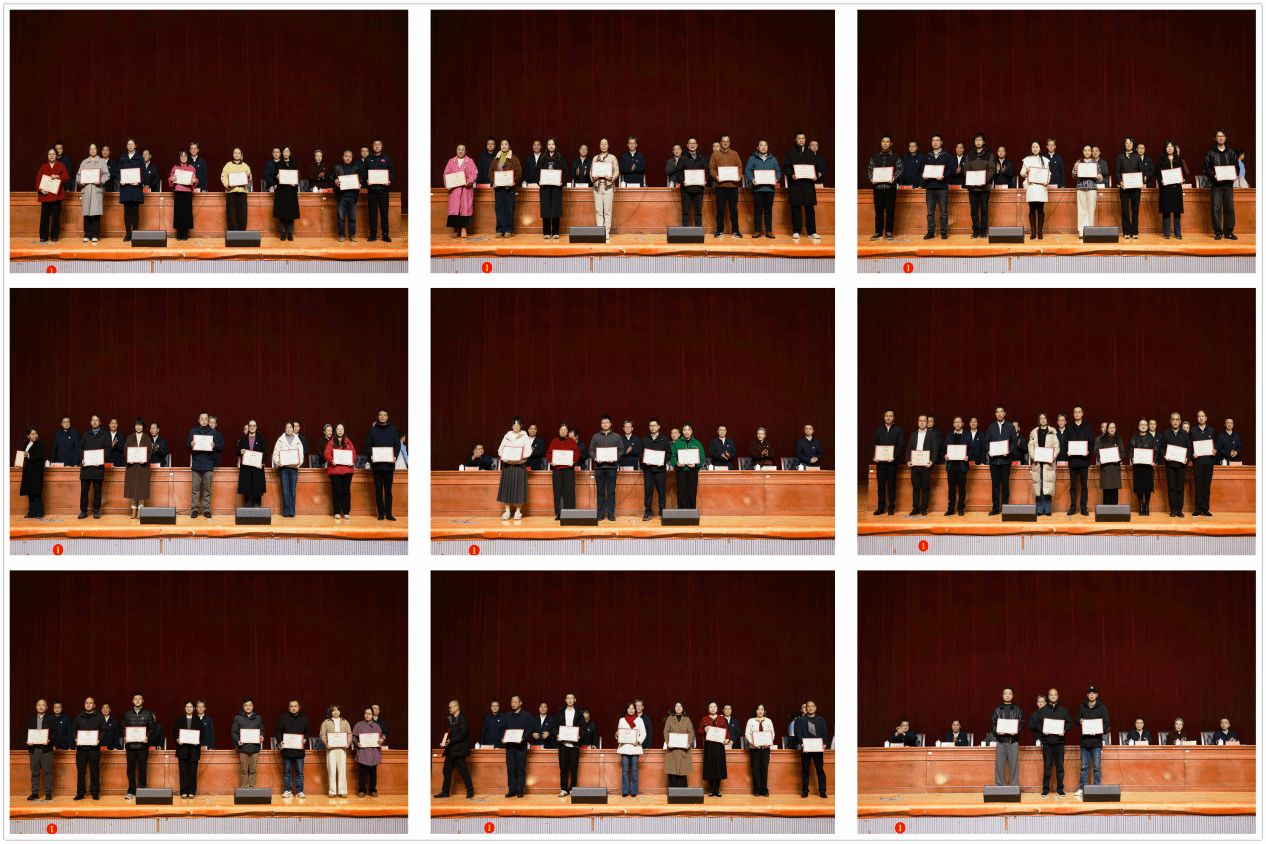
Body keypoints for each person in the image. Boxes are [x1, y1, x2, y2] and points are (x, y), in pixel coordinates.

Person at [366, 408, 402, 521]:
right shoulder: (372, 430)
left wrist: (394, 456)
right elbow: (368, 445)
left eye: (384, 415)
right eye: (380, 415)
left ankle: (389, 514)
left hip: (389, 466)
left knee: (388, 491)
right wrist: (371, 455)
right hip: (377, 466)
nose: (382, 417)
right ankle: (381, 513)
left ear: (387, 417)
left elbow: (397, 445)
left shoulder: (393, 430)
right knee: (378, 491)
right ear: (377, 417)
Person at [1036, 689, 1073, 798]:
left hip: (1059, 743)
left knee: (1060, 768)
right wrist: (1043, 730)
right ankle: (1045, 789)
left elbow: (1070, 724)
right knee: (1047, 767)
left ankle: (1060, 789)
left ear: (1058, 696)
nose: (1053, 696)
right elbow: (1037, 724)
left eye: (1055, 695)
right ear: (1048, 696)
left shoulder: (1063, 710)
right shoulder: (1042, 711)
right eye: (1051, 695)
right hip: (1047, 743)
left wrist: (1064, 730)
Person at [187, 412, 224, 520]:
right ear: (198, 420)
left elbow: (220, 447)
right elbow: (187, 444)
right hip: (196, 464)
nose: (204, 420)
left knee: (207, 489)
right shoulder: (193, 431)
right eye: (202, 419)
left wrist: (214, 445)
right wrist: (191, 444)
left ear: (208, 421)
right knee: (195, 489)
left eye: (206, 419)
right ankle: (194, 509)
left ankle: (206, 510)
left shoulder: (213, 432)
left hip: (208, 464)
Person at [1075, 686, 1110, 798]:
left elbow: (1107, 723)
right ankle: (1081, 788)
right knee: (1084, 767)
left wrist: (1098, 730)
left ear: (1097, 695)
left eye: (1093, 693)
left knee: (1097, 768)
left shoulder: (1102, 708)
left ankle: (1096, 788)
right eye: (1090, 693)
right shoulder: (1082, 707)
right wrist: (1080, 721)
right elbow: (1076, 720)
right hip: (1084, 742)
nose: (1091, 695)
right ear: (1087, 695)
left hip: (1096, 742)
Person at [70, 697, 107, 801]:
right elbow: (73, 730)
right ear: (84, 704)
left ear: (94, 705)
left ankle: (95, 793)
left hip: (94, 749)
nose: (88, 704)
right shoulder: (78, 717)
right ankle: (80, 793)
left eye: (90, 703)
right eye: (86, 703)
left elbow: (104, 730)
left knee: (94, 771)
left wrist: (99, 739)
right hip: (81, 749)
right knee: (81, 771)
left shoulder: (99, 717)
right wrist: (75, 738)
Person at [1204, 128, 1237, 240]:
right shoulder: (1211, 153)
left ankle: (1228, 232)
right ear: (1215, 138)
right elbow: (1206, 168)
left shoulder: (1231, 152)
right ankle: (1218, 232)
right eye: (1218, 136)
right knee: (1216, 209)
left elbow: (1236, 167)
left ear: (1225, 137)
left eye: (1222, 136)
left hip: (1228, 185)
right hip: (1216, 186)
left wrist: (1235, 174)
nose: (1221, 138)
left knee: (1229, 209)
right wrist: (1213, 175)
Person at [745, 139, 782, 238]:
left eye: (765, 145)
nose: (763, 147)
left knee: (768, 210)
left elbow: (778, 171)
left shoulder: (773, 159)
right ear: (757, 147)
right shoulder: (752, 158)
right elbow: (747, 170)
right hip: (757, 189)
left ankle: (769, 231)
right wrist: (752, 179)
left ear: (767, 147)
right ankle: (757, 231)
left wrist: (776, 179)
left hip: (769, 189)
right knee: (757, 210)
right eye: (761, 145)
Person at [436, 699, 473, 799]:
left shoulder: (462, 719)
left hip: (459, 751)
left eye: (450, 707)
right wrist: (445, 741)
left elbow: (462, 735)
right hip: (451, 750)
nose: (449, 709)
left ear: (457, 707)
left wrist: (450, 741)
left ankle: (470, 791)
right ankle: (445, 792)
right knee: (446, 771)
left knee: (463, 771)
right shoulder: (452, 719)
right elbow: (450, 734)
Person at [497, 416, 531, 522]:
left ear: (521, 426)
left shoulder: (525, 436)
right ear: (512, 426)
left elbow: (528, 451)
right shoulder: (507, 435)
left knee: (519, 489)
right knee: (506, 488)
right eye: (514, 424)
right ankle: (507, 512)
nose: (516, 426)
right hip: (508, 465)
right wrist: (505, 456)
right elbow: (500, 450)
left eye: (518, 424)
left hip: (520, 465)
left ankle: (518, 512)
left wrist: (519, 456)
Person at [122, 693, 156, 800]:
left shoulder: (148, 714)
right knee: (130, 770)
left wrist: (147, 736)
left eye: (139, 699)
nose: (137, 700)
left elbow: (152, 728)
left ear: (143, 701)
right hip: (130, 746)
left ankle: (142, 791)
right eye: (135, 699)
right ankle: (131, 791)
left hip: (143, 747)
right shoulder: (127, 714)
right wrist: (125, 736)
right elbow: (123, 727)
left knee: (142, 769)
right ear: (132, 701)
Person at [984, 406, 1017, 515]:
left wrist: (1008, 451)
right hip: (994, 462)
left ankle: (1005, 509)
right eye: (997, 412)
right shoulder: (991, 427)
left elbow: (1014, 442)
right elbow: (986, 442)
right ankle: (995, 508)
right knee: (995, 486)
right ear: (995, 414)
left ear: (1005, 413)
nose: (999, 414)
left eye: (1001, 412)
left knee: (1005, 486)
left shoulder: (1010, 427)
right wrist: (989, 451)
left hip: (1005, 461)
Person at [867, 134, 901, 240]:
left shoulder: (895, 157)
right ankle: (878, 232)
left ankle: (889, 232)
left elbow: (900, 169)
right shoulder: (875, 157)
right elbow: (870, 170)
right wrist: (872, 179)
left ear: (891, 144)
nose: (885, 143)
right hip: (878, 188)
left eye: (887, 142)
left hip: (890, 188)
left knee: (890, 211)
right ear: (881, 143)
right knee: (879, 211)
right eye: (883, 142)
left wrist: (894, 178)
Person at [903, 415, 938, 516]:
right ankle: (915, 508)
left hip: (926, 465)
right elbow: (908, 449)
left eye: (924, 421)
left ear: (927, 422)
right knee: (916, 487)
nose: (922, 422)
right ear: (918, 422)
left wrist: (932, 461)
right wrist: (908, 461)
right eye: (920, 421)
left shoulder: (932, 434)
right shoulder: (913, 434)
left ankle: (924, 508)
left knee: (925, 487)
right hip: (915, 465)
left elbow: (935, 450)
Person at [709, 134, 743, 238]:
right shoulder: (715, 155)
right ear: (720, 142)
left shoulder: (735, 154)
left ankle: (735, 231)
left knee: (734, 210)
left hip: (733, 186)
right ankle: (719, 231)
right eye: (723, 141)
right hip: (720, 186)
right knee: (720, 209)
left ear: (730, 142)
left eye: (727, 141)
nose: (725, 143)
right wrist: (716, 177)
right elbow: (711, 168)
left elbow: (740, 167)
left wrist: (739, 176)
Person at [589, 414, 622, 521]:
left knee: (611, 491)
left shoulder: (616, 436)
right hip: (599, 467)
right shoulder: (595, 437)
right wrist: (595, 457)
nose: (605, 424)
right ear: (600, 424)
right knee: (600, 492)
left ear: (611, 424)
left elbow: (621, 449)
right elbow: (591, 450)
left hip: (612, 467)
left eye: (607, 422)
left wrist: (615, 458)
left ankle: (611, 513)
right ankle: (601, 512)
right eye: (603, 423)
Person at [964, 133, 997, 239]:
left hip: (984, 188)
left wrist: (983, 180)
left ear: (983, 142)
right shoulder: (969, 155)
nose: (978, 142)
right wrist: (970, 180)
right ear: (974, 142)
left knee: (984, 211)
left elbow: (992, 169)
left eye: (980, 140)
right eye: (976, 140)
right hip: (972, 187)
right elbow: (966, 169)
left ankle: (983, 231)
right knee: (973, 211)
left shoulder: (989, 154)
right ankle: (975, 231)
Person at [275, 698, 310, 798]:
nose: (293, 708)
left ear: (299, 707)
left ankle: (299, 791)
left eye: (295, 706)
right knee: (287, 772)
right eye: (291, 706)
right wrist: (280, 740)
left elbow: (308, 731)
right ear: (288, 708)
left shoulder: (304, 718)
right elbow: (278, 731)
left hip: (299, 751)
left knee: (300, 773)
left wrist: (305, 739)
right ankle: (288, 790)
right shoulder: (283, 718)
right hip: (287, 750)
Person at [872, 409, 904, 515]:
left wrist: (894, 456)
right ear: (884, 417)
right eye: (886, 416)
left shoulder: (899, 430)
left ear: (894, 417)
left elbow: (900, 446)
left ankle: (891, 507)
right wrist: (875, 456)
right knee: (881, 486)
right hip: (880, 463)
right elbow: (874, 444)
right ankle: (881, 507)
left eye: (890, 416)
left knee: (891, 485)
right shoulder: (879, 429)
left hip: (892, 463)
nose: (888, 417)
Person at [1159, 412, 1192, 517]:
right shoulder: (1166, 433)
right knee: (1171, 488)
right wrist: (1164, 455)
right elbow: (1162, 448)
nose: (1175, 421)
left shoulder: (1184, 433)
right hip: (1170, 465)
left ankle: (1179, 510)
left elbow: (1189, 448)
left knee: (1180, 489)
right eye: (1173, 419)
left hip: (1181, 465)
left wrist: (1187, 458)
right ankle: (1172, 509)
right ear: (1170, 421)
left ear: (1180, 421)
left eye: (1177, 419)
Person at [489, 138, 522, 239]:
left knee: (509, 209)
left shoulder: (514, 159)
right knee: (499, 209)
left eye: (506, 144)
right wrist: (493, 182)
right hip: (499, 188)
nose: (504, 146)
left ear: (509, 146)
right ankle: (499, 230)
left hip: (509, 188)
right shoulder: (496, 159)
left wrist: (513, 182)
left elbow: (518, 173)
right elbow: (491, 172)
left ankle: (508, 230)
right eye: (502, 144)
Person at [1018, 140, 1052, 240]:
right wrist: (1026, 171)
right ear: (1031, 148)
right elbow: (1021, 173)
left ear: (1040, 149)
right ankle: (1033, 232)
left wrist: (1047, 181)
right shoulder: (1027, 160)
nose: (1035, 149)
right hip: (1031, 187)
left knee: (1040, 209)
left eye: (1037, 147)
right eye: (1033, 147)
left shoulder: (1045, 160)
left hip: (1041, 187)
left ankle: (1040, 232)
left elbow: (1048, 173)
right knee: (1032, 209)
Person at [921, 133, 952, 239]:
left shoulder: (947, 155)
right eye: (933, 140)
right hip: (930, 187)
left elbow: (950, 169)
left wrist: (944, 176)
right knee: (930, 212)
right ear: (931, 143)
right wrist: (924, 176)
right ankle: (930, 232)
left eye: (937, 140)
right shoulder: (927, 156)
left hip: (942, 187)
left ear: (941, 142)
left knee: (943, 212)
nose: (935, 142)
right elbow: (924, 169)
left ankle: (944, 231)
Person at [444, 143, 479, 238]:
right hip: (455, 191)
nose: (460, 151)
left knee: (464, 209)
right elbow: (446, 174)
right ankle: (456, 229)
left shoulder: (470, 161)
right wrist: (447, 184)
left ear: (465, 151)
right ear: (456, 150)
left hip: (465, 190)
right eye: (459, 149)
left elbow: (474, 173)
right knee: (455, 210)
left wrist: (469, 181)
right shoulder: (451, 161)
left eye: (462, 149)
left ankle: (463, 229)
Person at [321, 423, 355, 519]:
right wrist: (332, 460)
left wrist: (351, 461)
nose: (340, 431)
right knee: (337, 492)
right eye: (338, 429)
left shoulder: (348, 442)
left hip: (347, 470)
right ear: (335, 431)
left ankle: (346, 512)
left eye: (342, 429)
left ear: (344, 431)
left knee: (346, 492)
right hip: (335, 470)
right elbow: (326, 453)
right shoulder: (331, 442)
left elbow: (354, 454)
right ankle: (337, 512)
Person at [76, 414, 108, 519]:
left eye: (97, 420)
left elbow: (108, 449)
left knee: (97, 491)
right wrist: (82, 458)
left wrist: (101, 460)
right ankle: (83, 511)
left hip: (98, 467)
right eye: (93, 420)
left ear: (100, 422)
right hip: (86, 467)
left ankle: (96, 511)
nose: (94, 422)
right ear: (90, 422)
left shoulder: (105, 434)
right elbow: (80, 447)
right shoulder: (86, 434)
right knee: (84, 491)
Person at [121, 417, 154, 517]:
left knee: (141, 489)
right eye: (136, 425)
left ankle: (140, 510)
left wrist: (145, 459)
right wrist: (128, 459)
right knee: (132, 488)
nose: (138, 427)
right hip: (132, 467)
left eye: (140, 425)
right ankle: (133, 510)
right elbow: (125, 450)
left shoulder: (147, 438)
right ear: (134, 426)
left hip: (143, 467)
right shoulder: (130, 437)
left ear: (143, 426)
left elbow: (149, 451)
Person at [173, 700, 206, 799]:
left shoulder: (197, 720)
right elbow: (174, 733)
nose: (189, 708)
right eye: (187, 707)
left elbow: (202, 734)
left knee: (193, 771)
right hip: (182, 750)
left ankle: (192, 791)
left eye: (191, 707)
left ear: (194, 708)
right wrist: (177, 740)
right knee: (182, 772)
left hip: (194, 750)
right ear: (184, 708)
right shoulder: (180, 720)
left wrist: (198, 741)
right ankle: (183, 791)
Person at [991, 687, 1024, 786]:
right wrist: (997, 731)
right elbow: (993, 723)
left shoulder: (1017, 709)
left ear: (1012, 696)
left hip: (1013, 741)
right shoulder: (997, 709)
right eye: (1005, 693)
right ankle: (1000, 786)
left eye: (1009, 693)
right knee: (999, 766)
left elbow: (1022, 723)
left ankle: (1013, 787)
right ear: (1002, 695)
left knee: (1014, 766)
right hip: (1001, 742)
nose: (1007, 695)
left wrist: (1016, 730)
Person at [795, 701, 829, 798]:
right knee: (805, 770)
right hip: (806, 748)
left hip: (818, 748)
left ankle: (822, 791)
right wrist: (801, 743)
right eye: (808, 706)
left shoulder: (821, 719)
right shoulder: (800, 720)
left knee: (820, 770)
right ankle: (805, 791)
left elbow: (824, 732)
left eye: (812, 706)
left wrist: (825, 743)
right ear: (806, 708)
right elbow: (798, 733)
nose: (810, 708)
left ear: (815, 708)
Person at [698, 701, 731, 797]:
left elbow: (726, 732)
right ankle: (711, 790)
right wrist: (704, 730)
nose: (712, 709)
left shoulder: (721, 718)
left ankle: (717, 790)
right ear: (708, 709)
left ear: (717, 708)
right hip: (708, 746)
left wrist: (727, 739)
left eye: (714, 707)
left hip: (719, 746)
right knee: (710, 767)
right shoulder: (704, 718)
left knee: (718, 767)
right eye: (711, 707)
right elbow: (699, 731)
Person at [37, 147, 70, 243]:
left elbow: (66, 178)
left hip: (57, 195)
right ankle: (43, 236)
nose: (51, 156)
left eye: (53, 154)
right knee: (44, 217)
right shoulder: (43, 166)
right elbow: (38, 179)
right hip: (45, 195)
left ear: (56, 155)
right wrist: (41, 190)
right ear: (47, 156)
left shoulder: (61, 165)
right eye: (49, 154)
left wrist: (58, 176)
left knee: (56, 217)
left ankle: (54, 236)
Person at [364, 138, 395, 242]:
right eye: (375, 145)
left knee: (384, 213)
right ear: (372, 147)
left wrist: (389, 180)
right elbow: (363, 172)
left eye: (379, 144)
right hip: (372, 191)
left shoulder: (386, 158)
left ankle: (385, 234)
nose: (377, 146)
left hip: (384, 190)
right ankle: (373, 234)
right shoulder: (368, 158)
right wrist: (367, 180)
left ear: (382, 146)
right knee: (372, 214)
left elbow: (392, 172)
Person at [76, 143, 108, 244]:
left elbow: (107, 175)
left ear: (97, 150)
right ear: (89, 150)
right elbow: (78, 175)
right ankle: (87, 234)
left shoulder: (101, 162)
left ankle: (95, 235)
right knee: (86, 213)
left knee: (96, 213)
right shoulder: (84, 162)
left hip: (96, 190)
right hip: (86, 190)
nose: (92, 151)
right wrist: (80, 181)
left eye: (94, 149)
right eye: (91, 149)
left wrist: (100, 181)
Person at [26, 699, 57, 801]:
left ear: (46, 707)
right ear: (36, 707)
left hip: (46, 750)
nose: (40, 707)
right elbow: (26, 733)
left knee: (47, 772)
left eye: (43, 705)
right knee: (35, 772)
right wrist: (28, 740)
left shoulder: (51, 719)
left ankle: (48, 793)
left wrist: (49, 740)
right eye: (39, 705)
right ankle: (35, 793)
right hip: (34, 749)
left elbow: (55, 732)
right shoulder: (31, 719)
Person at [1154, 140, 1186, 239]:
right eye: (1168, 147)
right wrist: (1161, 180)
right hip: (1166, 189)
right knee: (1166, 211)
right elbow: (1157, 174)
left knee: (1177, 212)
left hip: (1176, 189)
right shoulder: (1161, 160)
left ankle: (1177, 233)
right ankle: (1166, 233)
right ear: (1165, 148)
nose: (1170, 148)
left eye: (1171, 146)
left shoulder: (1178, 160)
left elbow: (1184, 173)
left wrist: (1182, 179)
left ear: (1174, 148)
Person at [269, 422, 301, 518]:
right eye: (287, 427)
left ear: (293, 428)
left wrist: (298, 463)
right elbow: (275, 454)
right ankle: (286, 512)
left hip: (293, 468)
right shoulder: (280, 440)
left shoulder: (297, 440)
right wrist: (278, 461)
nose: (288, 429)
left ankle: (292, 512)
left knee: (292, 490)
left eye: (290, 427)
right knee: (285, 490)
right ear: (285, 429)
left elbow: (301, 454)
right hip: (283, 469)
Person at [548, 422, 580, 520]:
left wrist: (573, 461)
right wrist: (552, 461)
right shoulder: (554, 441)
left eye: (565, 430)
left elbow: (577, 453)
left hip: (568, 469)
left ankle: (570, 513)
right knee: (558, 491)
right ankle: (560, 513)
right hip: (557, 470)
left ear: (568, 432)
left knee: (569, 491)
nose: (563, 431)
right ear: (559, 431)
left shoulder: (571, 441)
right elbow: (549, 454)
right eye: (561, 430)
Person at [1065, 406, 1093, 516]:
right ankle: (1073, 508)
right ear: (1073, 414)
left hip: (1084, 460)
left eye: (1079, 412)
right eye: (1075, 412)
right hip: (1072, 460)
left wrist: (1087, 451)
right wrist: (1068, 451)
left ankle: (1083, 508)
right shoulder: (1069, 427)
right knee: (1073, 486)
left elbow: (1091, 442)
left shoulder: (1088, 426)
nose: (1077, 414)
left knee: (1084, 486)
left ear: (1082, 413)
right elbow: (1065, 443)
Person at [318, 704, 351, 798]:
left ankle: (342, 791)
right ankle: (332, 791)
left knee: (342, 770)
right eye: (334, 710)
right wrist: (326, 744)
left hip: (342, 748)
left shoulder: (345, 722)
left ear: (340, 711)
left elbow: (349, 734)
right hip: (331, 749)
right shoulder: (326, 722)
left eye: (337, 710)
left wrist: (348, 743)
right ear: (330, 712)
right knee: (331, 769)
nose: (336, 712)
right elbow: (322, 734)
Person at [116, 137, 145, 242]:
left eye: (132, 144)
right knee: (127, 211)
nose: (130, 146)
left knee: (136, 211)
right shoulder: (123, 157)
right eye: (129, 144)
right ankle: (128, 233)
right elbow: (118, 172)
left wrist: (139, 182)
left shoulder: (140, 158)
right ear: (126, 146)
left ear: (136, 146)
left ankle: (135, 234)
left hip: (136, 189)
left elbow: (144, 173)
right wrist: (120, 180)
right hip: (126, 188)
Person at [501, 694, 530, 798]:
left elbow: (529, 729)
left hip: (521, 747)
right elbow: (503, 728)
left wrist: (523, 738)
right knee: (510, 769)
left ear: (520, 703)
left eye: (515, 702)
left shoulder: (527, 715)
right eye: (512, 702)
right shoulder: (507, 715)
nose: (513, 704)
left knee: (521, 769)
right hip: (509, 747)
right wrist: (503, 737)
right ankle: (512, 790)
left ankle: (520, 790)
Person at [641, 418, 671, 519]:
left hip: (660, 470)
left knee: (661, 492)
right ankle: (648, 512)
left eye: (654, 425)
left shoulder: (664, 439)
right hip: (648, 470)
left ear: (659, 427)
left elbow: (669, 453)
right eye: (651, 426)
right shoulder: (645, 439)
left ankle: (662, 512)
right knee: (648, 492)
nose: (652, 427)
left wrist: (662, 461)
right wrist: (645, 460)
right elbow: (640, 453)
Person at [1189, 409, 1216, 517]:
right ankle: (1197, 509)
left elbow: (1215, 444)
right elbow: (1190, 446)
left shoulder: (1211, 430)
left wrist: (1215, 450)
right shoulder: (1193, 431)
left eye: (1203, 416)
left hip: (1209, 462)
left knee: (1206, 487)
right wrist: (1192, 454)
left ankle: (1205, 509)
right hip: (1198, 462)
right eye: (1199, 416)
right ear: (1197, 418)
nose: (1201, 418)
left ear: (1206, 418)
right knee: (1198, 487)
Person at [1114, 137, 1142, 239]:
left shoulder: (1137, 156)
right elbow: (1117, 171)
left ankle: (1135, 232)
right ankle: (1126, 231)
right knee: (1125, 210)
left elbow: (1141, 170)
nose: (1129, 144)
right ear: (1124, 145)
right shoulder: (1120, 157)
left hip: (1136, 188)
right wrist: (1120, 181)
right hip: (1124, 187)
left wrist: (1141, 179)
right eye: (1127, 143)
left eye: (1130, 143)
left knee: (1135, 210)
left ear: (1133, 145)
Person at [232, 698, 264, 787]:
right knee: (244, 770)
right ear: (243, 707)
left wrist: (262, 736)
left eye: (250, 705)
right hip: (243, 748)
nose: (248, 707)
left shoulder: (258, 718)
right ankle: (244, 788)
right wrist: (237, 740)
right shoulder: (238, 718)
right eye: (246, 705)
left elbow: (262, 730)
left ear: (253, 706)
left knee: (253, 770)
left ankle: (252, 787)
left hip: (254, 748)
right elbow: (233, 732)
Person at [538, 137, 566, 240]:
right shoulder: (542, 158)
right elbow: (537, 171)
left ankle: (555, 232)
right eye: (549, 144)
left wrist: (561, 182)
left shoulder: (560, 158)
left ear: (555, 146)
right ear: (546, 146)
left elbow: (565, 172)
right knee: (546, 209)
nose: (551, 146)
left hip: (556, 188)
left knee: (555, 209)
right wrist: (539, 181)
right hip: (545, 188)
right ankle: (546, 232)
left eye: (553, 144)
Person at [743, 703, 774, 797]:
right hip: (754, 748)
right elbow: (747, 733)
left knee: (764, 769)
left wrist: (768, 743)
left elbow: (772, 733)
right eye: (758, 709)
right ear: (755, 711)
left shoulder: (768, 721)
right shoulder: (750, 721)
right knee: (755, 769)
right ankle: (756, 790)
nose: (760, 711)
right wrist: (753, 743)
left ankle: (764, 790)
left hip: (765, 748)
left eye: (762, 709)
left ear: (764, 711)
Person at [617, 702, 647, 798]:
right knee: (625, 770)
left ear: (635, 710)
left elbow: (643, 733)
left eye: (633, 708)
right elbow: (619, 733)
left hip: (635, 747)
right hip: (625, 747)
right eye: (629, 708)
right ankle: (625, 791)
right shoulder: (622, 720)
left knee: (634, 770)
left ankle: (634, 791)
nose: (631, 710)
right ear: (626, 709)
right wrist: (617, 734)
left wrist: (638, 741)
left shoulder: (639, 720)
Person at [353, 707, 384, 797]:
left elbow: (382, 736)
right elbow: (353, 737)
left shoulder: (377, 726)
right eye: (366, 713)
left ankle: (373, 790)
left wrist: (382, 739)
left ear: (373, 715)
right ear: (364, 714)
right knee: (362, 772)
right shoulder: (358, 725)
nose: (367, 715)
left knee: (373, 772)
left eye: (369, 714)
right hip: (363, 751)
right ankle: (362, 790)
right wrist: (357, 743)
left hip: (374, 752)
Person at [235, 419, 267, 508]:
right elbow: (237, 450)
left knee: (257, 490)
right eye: (250, 426)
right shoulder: (243, 439)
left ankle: (257, 511)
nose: (252, 427)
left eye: (254, 425)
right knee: (247, 490)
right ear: (248, 427)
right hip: (246, 469)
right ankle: (248, 511)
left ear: (256, 427)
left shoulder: (261, 439)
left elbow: (265, 453)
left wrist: (262, 463)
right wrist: (240, 451)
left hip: (257, 469)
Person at [590, 138, 617, 242]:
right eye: (602, 144)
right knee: (599, 210)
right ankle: (600, 231)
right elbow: (591, 171)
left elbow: (616, 171)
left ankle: (606, 232)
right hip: (597, 187)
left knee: (607, 211)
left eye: (605, 144)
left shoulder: (612, 158)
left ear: (608, 146)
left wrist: (611, 177)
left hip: (608, 187)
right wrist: (593, 177)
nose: (604, 146)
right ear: (599, 146)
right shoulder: (595, 158)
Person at [941, 416, 969, 516]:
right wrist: (945, 455)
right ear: (953, 424)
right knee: (951, 489)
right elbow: (944, 448)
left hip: (962, 466)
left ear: (963, 424)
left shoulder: (967, 435)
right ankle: (951, 508)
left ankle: (961, 508)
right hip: (951, 466)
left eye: (959, 422)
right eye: (955, 422)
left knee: (962, 488)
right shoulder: (949, 435)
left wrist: (968, 456)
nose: (957, 424)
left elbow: (971, 449)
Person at [1094, 421, 1127, 505]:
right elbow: (1097, 451)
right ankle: (1106, 510)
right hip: (1105, 468)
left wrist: (1119, 458)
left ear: (1115, 429)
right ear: (1107, 429)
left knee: (1115, 490)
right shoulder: (1102, 440)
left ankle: (1114, 510)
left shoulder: (1119, 439)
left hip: (1115, 468)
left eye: (1113, 427)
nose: (1112, 429)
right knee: (1106, 490)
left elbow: (1123, 452)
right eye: (1110, 427)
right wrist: (1100, 458)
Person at [555, 693, 582, 796]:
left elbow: (583, 728)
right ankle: (564, 789)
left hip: (574, 745)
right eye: (568, 698)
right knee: (563, 768)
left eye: (572, 698)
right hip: (563, 745)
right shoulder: (560, 713)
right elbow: (554, 727)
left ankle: (573, 789)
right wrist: (557, 734)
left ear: (575, 700)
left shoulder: (579, 713)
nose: (570, 700)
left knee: (574, 768)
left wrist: (579, 736)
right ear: (565, 700)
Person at [272, 145, 300, 241]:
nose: (286, 153)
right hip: (281, 192)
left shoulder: (294, 164)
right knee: (282, 214)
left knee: (291, 214)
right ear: (281, 153)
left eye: (287, 151)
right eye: (284, 151)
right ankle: (283, 233)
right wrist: (277, 177)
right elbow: (274, 176)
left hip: (291, 191)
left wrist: (295, 183)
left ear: (290, 153)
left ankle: (290, 234)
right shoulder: (278, 164)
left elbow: (298, 177)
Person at [672, 423, 704, 509]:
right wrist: (676, 463)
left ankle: (691, 512)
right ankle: (682, 512)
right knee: (681, 493)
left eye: (689, 430)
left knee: (692, 492)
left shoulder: (697, 443)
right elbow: (673, 456)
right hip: (681, 471)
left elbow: (702, 457)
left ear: (692, 431)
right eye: (684, 430)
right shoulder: (677, 443)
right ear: (682, 432)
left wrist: (696, 465)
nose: (687, 432)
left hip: (693, 471)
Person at [1070, 144, 1098, 240]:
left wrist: (1099, 176)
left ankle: (1090, 231)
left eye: (1089, 150)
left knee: (1091, 210)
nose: (1087, 152)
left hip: (1092, 188)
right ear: (1082, 152)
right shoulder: (1078, 162)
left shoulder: (1095, 163)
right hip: (1081, 188)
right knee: (1082, 210)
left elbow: (1100, 176)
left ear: (1091, 152)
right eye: (1085, 150)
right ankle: (1081, 231)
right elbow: (1073, 176)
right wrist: (1075, 168)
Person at [220, 147, 252, 233]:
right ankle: (232, 234)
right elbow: (223, 177)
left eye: (238, 153)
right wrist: (228, 185)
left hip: (242, 192)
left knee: (242, 214)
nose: (237, 155)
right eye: (235, 153)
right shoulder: (227, 165)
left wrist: (248, 176)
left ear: (241, 155)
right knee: (231, 214)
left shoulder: (245, 166)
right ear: (232, 154)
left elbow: (250, 179)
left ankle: (241, 234)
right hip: (231, 192)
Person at [663, 701, 694, 788]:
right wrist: (668, 742)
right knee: (672, 771)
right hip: (672, 749)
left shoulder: (687, 719)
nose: (678, 708)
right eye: (677, 706)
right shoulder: (670, 719)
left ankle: (682, 793)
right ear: (674, 708)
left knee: (682, 772)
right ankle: (673, 792)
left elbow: (690, 732)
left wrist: (688, 743)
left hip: (683, 750)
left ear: (683, 708)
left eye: (680, 706)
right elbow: (666, 731)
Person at [1129, 418, 1156, 515]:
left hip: (1148, 467)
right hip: (1138, 466)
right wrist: (1132, 458)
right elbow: (1130, 450)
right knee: (1139, 487)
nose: (1143, 426)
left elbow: (1155, 451)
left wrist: (1154, 461)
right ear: (1138, 426)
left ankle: (1147, 506)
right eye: (1141, 424)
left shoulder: (1151, 438)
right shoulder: (1134, 437)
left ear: (1147, 426)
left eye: (1145, 424)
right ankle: (1141, 506)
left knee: (1148, 487)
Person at [20, 427, 46, 518]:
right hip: (28, 471)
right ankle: (32, 512)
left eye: (36, 434)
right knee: (30, 493)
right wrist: (19, 463)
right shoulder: (26, 444)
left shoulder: (40, 444)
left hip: (36, 472)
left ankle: (39, 512)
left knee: (36, 492)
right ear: (28, 436)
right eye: (32, 434)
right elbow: (22, 456)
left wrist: (29, 455)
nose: (35, 435)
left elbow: (40, 455)